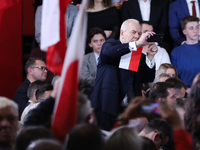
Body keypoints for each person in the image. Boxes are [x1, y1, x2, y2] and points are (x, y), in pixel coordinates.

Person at [90, 19, 157, 131]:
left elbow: (148, 78)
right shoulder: (111, 44)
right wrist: (136, 44)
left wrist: (150, 57)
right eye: (133, 32)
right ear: (122, 33)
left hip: (128, 110)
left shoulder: (138, 54)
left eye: (140, 33)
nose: (137, 36)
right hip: (106, 105)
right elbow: (108, 53)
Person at [171, 15, 200, 88]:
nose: (195, 30)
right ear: (184, 31)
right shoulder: (176, 52)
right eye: (191, 28)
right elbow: (174, 77)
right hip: (184, 92)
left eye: (197, 27)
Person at [80, 28, 106, 96]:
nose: (99, 43)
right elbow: (84, 78)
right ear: (90, 44)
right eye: (95, 41)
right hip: (90, 91)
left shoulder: (112, 57)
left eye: (102, 40)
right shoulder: (84, 59)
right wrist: (104, 82)